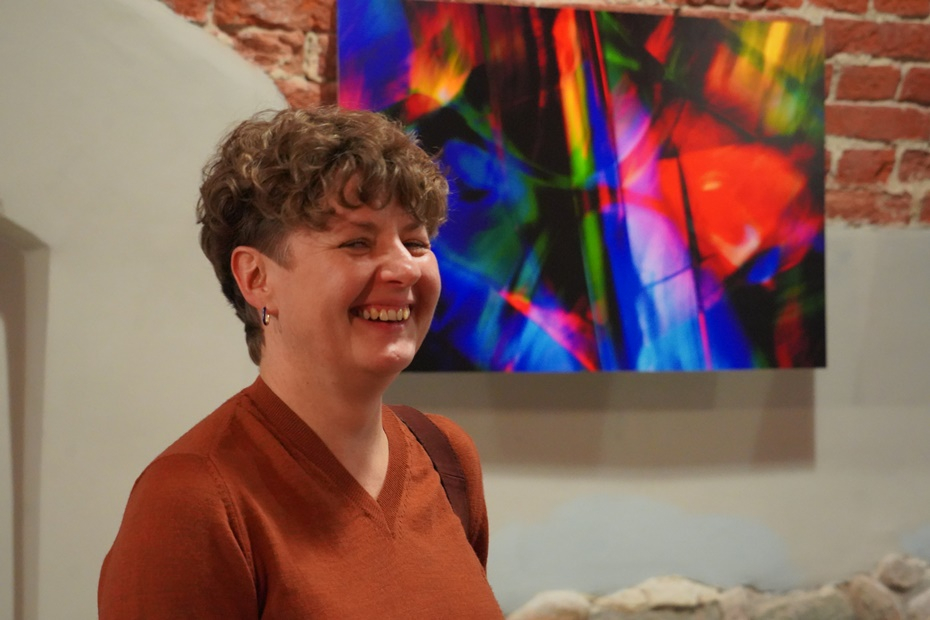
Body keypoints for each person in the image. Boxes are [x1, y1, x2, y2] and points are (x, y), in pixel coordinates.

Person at [98, 106, 504, 618]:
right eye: (358, 242)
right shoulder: (193, 501)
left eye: (416, 242)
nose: (404, 268)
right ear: (256, 278)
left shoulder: (446, 458)